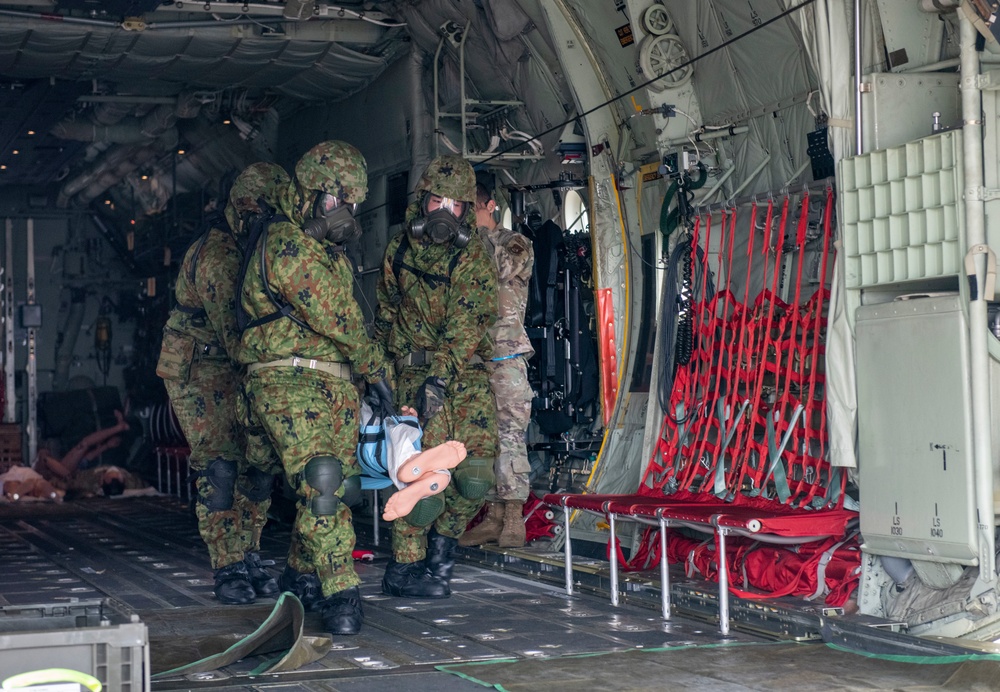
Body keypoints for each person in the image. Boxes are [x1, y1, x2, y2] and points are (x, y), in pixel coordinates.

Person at [237, 141, 393, 636]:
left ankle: (301, 577)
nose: (344, 212)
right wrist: (376, 368)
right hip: (288, 382)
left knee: (335, 488)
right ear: (307, 196)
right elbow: (339, 316)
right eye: (334, 201)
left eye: (351, 202)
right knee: (321, 483)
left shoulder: (324, 250)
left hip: (329, 386)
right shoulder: (286, 244)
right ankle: (341, 592)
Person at [156, 162, 289, 607]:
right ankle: (227, 564)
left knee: (259, 464)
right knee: (220, 467)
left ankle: (249, 554)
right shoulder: (219, 255)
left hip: (240, 367)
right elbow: (235, 334)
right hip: (201, 370)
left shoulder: (259, 249)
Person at [375, 155, 499, 598]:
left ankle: (442, 556)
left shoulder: (474, 258)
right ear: (422, 203)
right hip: (413, 376)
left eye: (456, 205)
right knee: (415, 473)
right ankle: (405, 568)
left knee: (476, 476)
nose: (445, 212)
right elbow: (386, 315)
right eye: (436, 201)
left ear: (466, 211)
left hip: (461, 378)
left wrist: (440, 380)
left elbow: (467, 327)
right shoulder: (400, 250)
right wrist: (382, 377)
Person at [459, 183, 535, 548]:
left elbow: (500, 270)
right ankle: (492, 515)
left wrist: (480, 237)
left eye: (471, 209)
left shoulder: (513, 242)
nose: (467, 217)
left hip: (506, 355)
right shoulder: (463, 244)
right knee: (481, 437)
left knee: (510, 435)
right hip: (473, 357)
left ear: (491, 206)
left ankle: (514, 517)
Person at [355, 403, 468, 521]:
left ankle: (416, 466)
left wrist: (407, 421)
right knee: (395, 461)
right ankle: (417, 469)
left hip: (368, 456)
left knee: (393, 459)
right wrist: (408, 422)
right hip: (376, 461)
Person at [33, 409, 130, 481]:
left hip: (68, 472)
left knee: (83, 445)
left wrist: (106, 446)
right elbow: (45, 460)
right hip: (66, 476)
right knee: (83, 445)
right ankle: (119, 427)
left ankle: (119, 427)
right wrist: (69, 477)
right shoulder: (39, 463)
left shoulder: (54, 463)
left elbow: (87, 458)